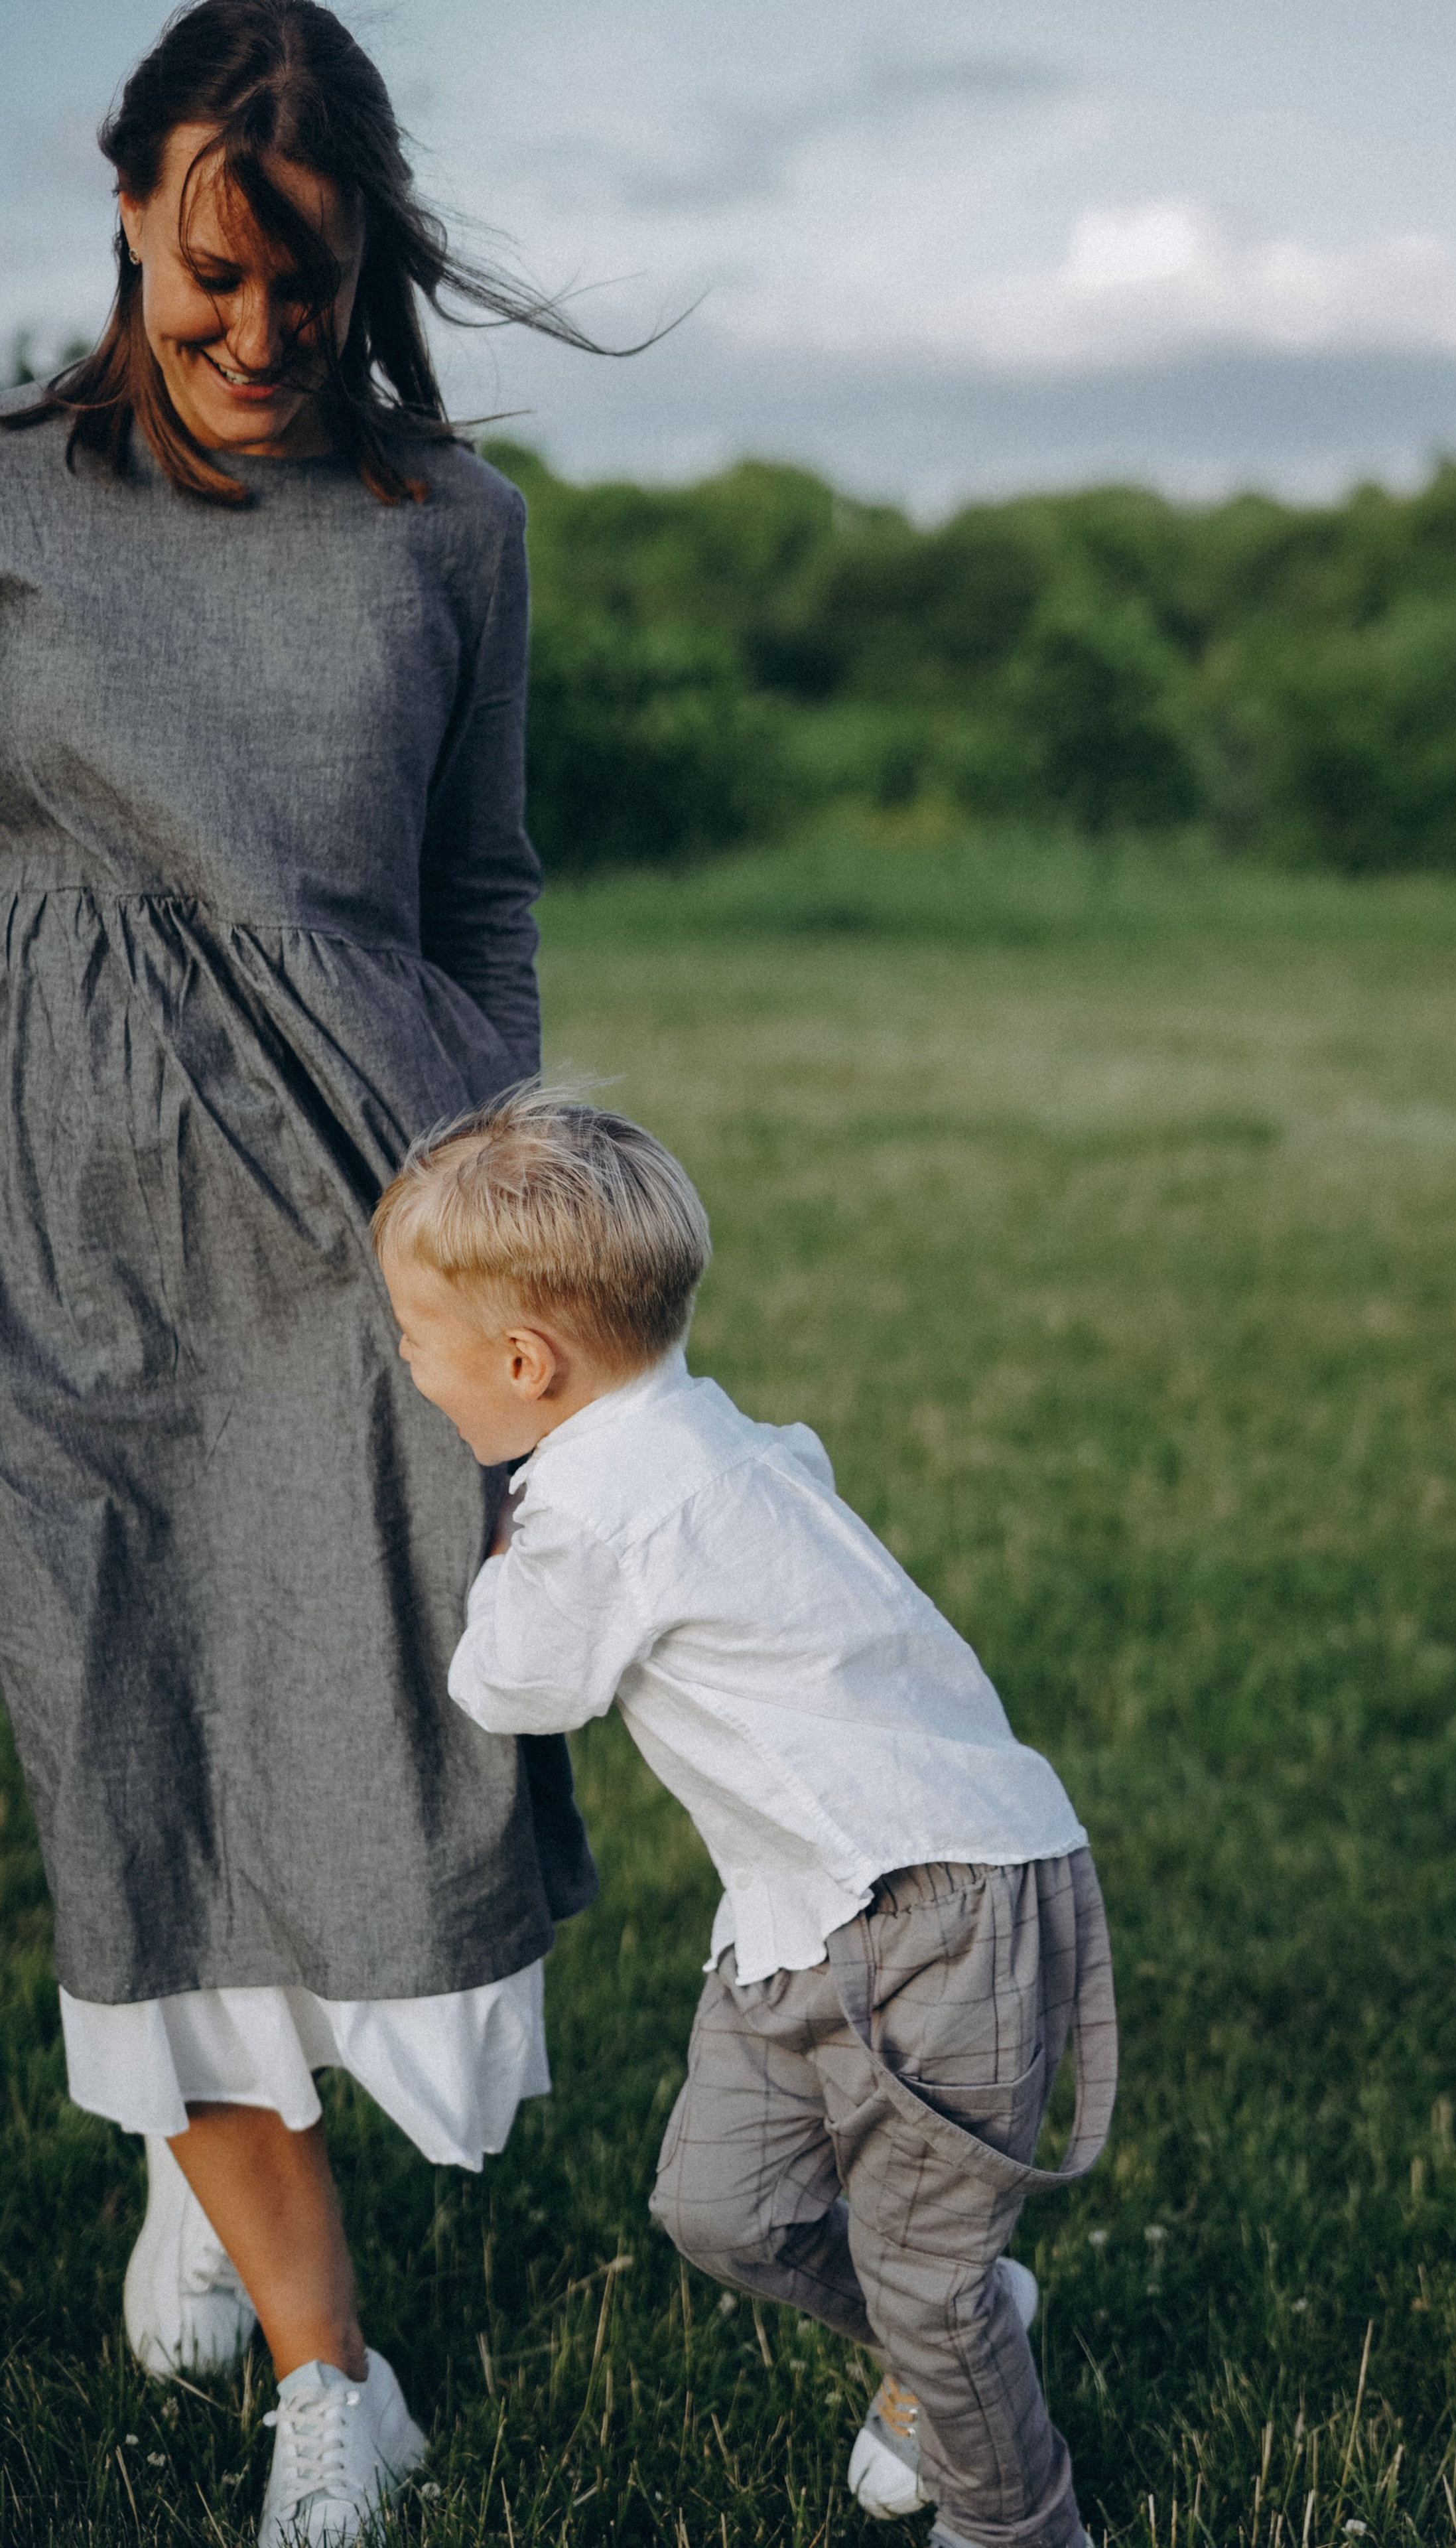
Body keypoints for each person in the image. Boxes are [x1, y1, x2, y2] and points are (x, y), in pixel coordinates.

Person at [0, 6, 613, 2539]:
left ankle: (209, 2145)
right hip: (59, 1225)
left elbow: (482, 888)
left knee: (379, 1752)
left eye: (319, 293)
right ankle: (328, 2375)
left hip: (368, 1217)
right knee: (129, 1727)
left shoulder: (447, 524)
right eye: (221, 276)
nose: (266, 340)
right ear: (128, 198)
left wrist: (508, 1219)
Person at [371, 1090, 1120, 2548]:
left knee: (921, 2273)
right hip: (800, 1908)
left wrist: (498, 1548)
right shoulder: (696, 1432)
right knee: (721, 2209)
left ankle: (1015, 2516)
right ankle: (954, 2336)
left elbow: (513, 1685)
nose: (405, 1359)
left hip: (938, 1900)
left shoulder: (599, 1513)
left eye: (414, 1337)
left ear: (523, 1363)